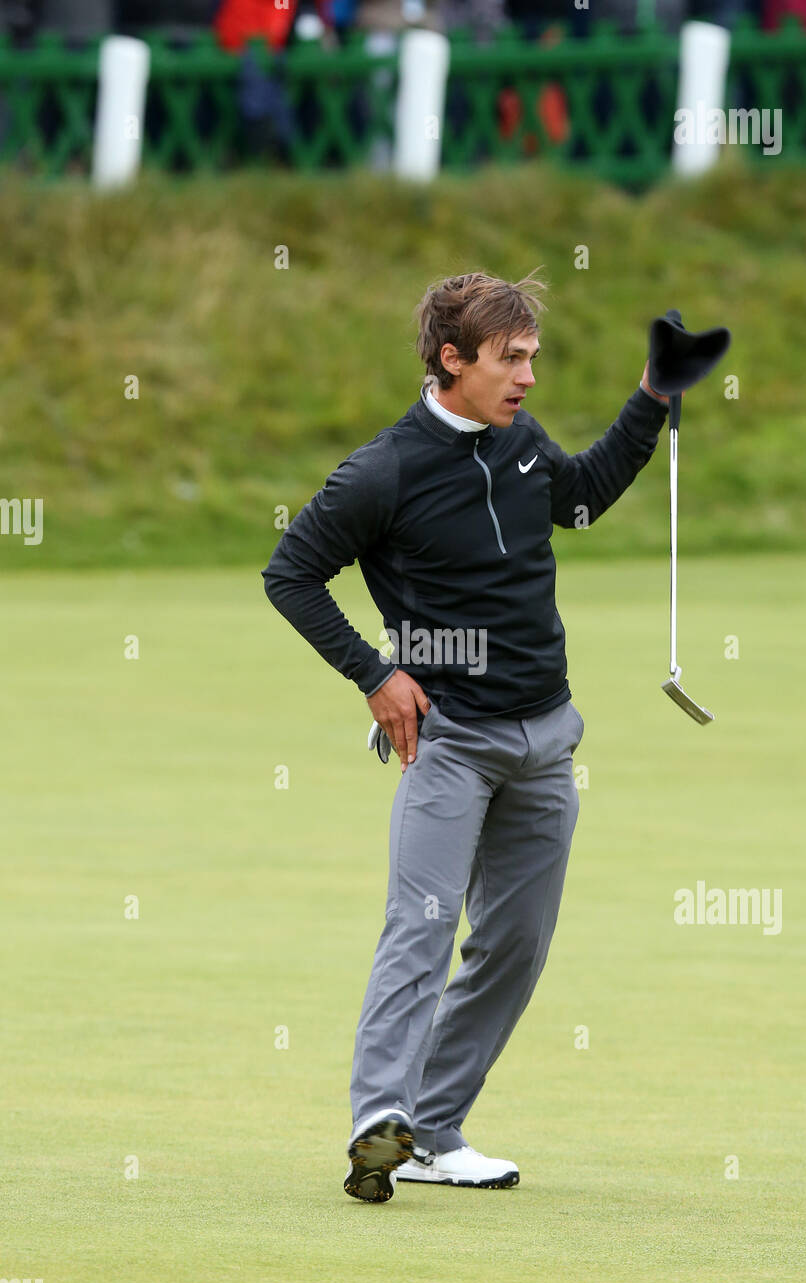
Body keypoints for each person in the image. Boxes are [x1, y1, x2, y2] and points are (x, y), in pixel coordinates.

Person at [261, 271, 672, 1203]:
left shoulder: (520, 442)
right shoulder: (384, 470)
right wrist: (375, 674)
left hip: (546, 740)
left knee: (517, 942)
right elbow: (291, 574)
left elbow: (582, 500)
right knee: (424, 923)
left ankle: (435, 1130)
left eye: (532, 357)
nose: (527, 377)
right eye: (510, 359)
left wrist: (651, 397)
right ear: (452, 360)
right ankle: (379, 1121)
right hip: (450, 741)